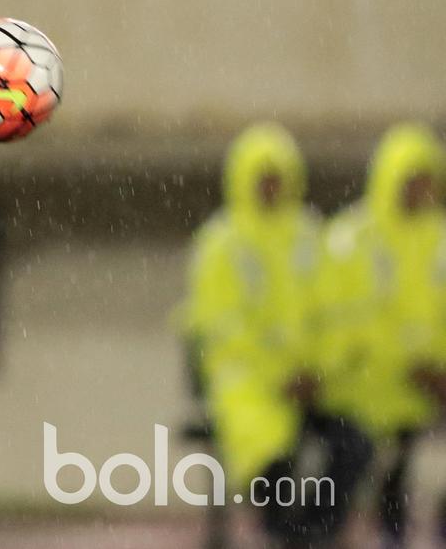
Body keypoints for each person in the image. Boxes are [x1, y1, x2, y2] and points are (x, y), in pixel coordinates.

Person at [179, 123, 370, 547]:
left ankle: (315, 529)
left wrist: (317, 373)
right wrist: (277, 376)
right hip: (250, 387)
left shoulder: (310, 235)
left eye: (277, 177)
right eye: (262, 177)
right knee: (270, 453)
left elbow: (335, 316)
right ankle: (287, 531)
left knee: (356, 441)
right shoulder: (220, 245)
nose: (270, 187)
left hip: (313, 386)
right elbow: (221, 331)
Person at [317, 123, 446, 549]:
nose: (421, 190)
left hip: (428, 384)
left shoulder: (438, 239)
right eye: (412, 179)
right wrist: (412, 367)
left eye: (427, 179)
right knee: (364, 446)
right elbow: (353, 325)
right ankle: (331, 531)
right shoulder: (352, 241)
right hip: (364, 382)